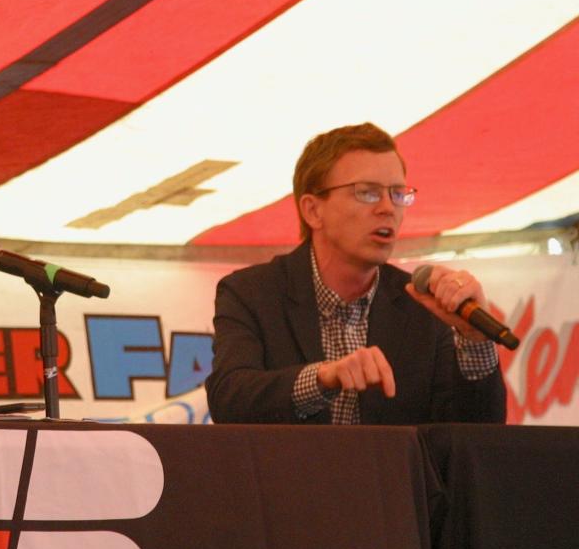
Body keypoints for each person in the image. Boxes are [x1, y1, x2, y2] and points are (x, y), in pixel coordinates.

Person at [205, 123, 506, 424]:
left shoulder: (423, 305)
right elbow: (229, 400)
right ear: (313, 211)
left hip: (393, 473)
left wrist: (476, 339)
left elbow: (474, 439)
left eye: (398, 194)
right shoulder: (251, 292)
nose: (388, 208)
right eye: (368, 193)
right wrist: (323, 378)